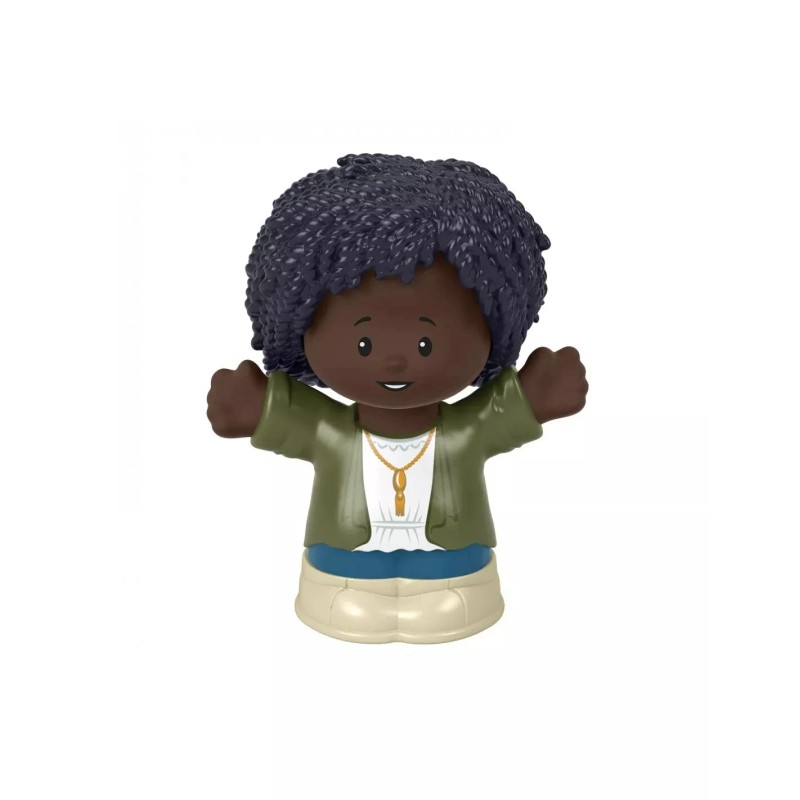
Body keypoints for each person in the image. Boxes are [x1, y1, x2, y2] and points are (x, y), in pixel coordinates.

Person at [207, 153, 588, 643]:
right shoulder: (332, 432)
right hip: (342, 569)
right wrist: (258, 408)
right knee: (346, 602)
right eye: (364, 344)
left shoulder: (458, 432)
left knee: (451, 603)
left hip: (455, 569)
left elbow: (495, 418)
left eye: (425, 344)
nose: (394, 363)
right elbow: (294, 421)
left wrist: (534, 397)